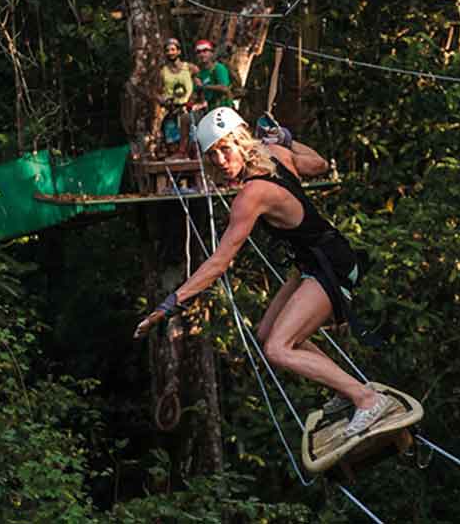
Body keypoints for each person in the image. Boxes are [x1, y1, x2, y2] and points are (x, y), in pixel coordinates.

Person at [134, 107, 396, 439]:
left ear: (242, 140)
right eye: (213, 156)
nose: (221, 161)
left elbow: (219, 263)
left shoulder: (250, 195)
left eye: (225, 149)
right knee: (266, 333)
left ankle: (367, 398)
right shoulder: (275, 154)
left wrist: (170, 303)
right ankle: (347, 392)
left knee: (278, 348)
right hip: (317, 260)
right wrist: (285, 138)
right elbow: (317, 163)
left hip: (331, 265)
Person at [155, 38, 199, 158]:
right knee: (173, 145)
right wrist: (162, 100)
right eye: (168, 50)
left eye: (173, 49)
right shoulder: (162, 72)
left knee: (193, 143)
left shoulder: (190, 68)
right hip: (172, 110)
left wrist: (195, 99)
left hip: (189, 109)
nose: (170, 53)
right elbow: (157, 92)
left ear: (179, 51)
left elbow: (200, 86)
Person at [193, 39, 235, 110]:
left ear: (211, 53)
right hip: (210, 110)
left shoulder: (219, 68)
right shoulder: (200, 73)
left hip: (224, 108)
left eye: (205, 51)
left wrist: (203, 86)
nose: (202, 54)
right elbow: (196, 93)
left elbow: (224, 87)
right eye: (199, 52)